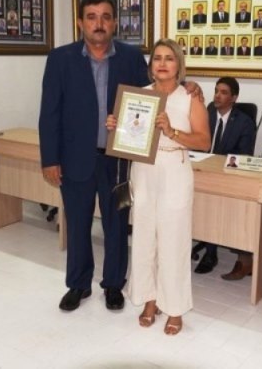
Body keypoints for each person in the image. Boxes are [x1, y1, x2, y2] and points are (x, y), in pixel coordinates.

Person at [39, 0, 200, 314]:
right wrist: (50, 159)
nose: (98, 23)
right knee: (78, 224)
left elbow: (155, 91)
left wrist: (189, 85)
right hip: (74, 159)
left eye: (105, 16)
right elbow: (49, 112)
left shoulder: (130, 57)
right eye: (91, 16)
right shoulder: (60, 58)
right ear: (80, 22)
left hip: (119, 161)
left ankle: (113, 284)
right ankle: (78, 284)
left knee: (116, 224)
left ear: (115, 22)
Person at [106, 38, 210, 336]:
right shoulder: (139, 96)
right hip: (144, 172)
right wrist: (116, 128)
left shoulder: (190, 98)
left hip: (174, 170)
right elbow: (129, 139)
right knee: (143, 239)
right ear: (151, 65)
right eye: (157, 58)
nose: (162, 63)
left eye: (169, 58)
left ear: (179, 64)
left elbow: (204, 141)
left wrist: (172, 131)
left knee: (173, 241)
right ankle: (149, 300)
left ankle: (174, 307)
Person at [194, 77, 255, 277]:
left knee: (213, 205)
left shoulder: (245, 122)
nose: (217, 96)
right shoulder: (205, 114)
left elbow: (244, 154)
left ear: (234, 98)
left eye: (224, 92)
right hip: (200, 170)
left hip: (225, 175)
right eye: (216, 91)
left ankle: (211, 254)